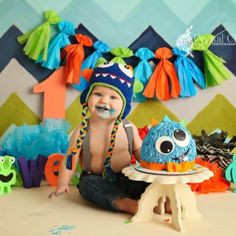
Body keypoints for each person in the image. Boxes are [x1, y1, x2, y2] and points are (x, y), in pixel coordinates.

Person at [49, 61, 149, 214]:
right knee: (87, 184)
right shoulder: (83, 129)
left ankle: (158, 199)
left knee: (144, 179)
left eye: (113, 97)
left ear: (125, 105)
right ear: (88, 97)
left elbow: (139, 150)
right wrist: (63, 183)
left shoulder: (128, 128)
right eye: (98, 94)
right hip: (96, 179)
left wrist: (153, 170)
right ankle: (125, 204)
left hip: (126, 176)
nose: (104, 101)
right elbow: (71, 157)